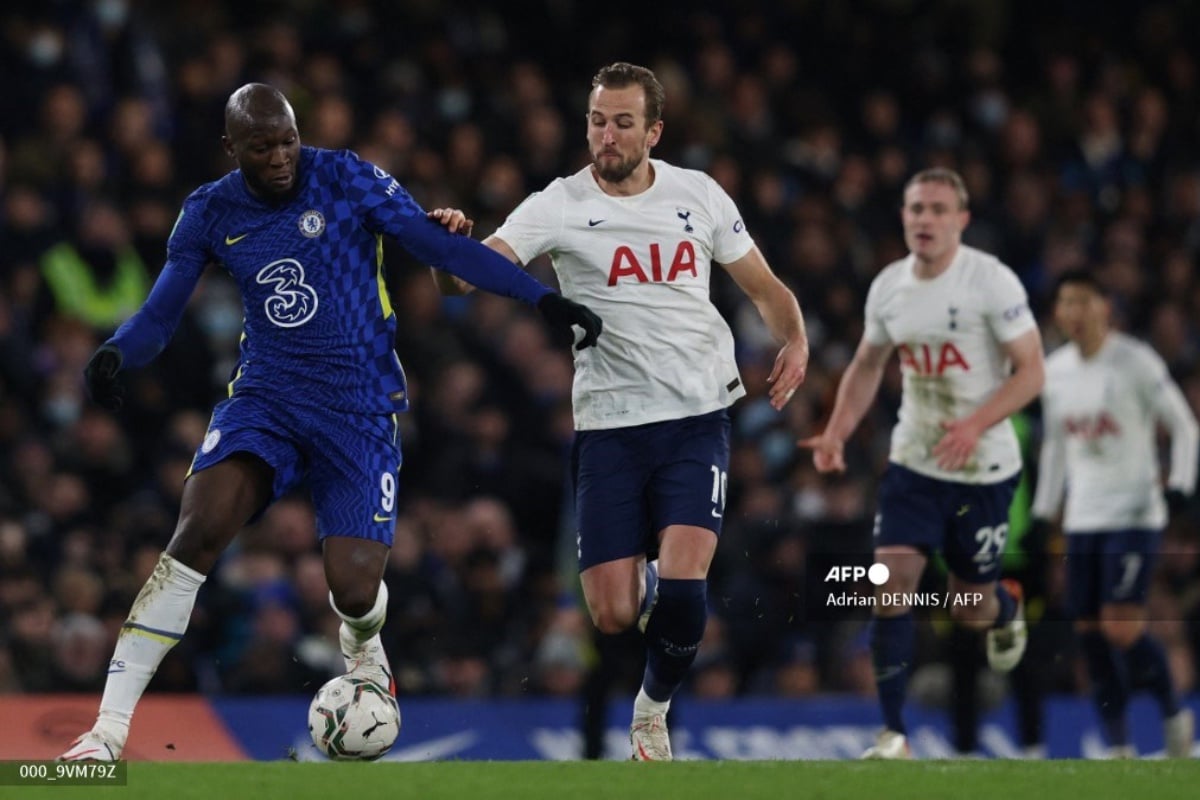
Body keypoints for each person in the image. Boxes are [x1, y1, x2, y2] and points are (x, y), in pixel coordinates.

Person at [58, 83, 602, 762]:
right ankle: (105, 734)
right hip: (267, 399)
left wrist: (542, 302)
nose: (282, 157)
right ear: (233, 149)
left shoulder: (346, 176)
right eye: (263, 147)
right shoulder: (208, 210)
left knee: (351, 588)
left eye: (288, 140)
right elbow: (162, 314)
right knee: (193, 537)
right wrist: (115, 355)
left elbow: (441, 248)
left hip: (360, 409)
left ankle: (366, 648)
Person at [433, 62, 809, 760]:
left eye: (623, 122)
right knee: (609, 613)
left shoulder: (697, 194)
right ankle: (661, 590)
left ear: (653, 131)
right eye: (597, 120)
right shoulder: (560, 203)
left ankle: (652, 710)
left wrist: (798, 338)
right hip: (609, 426)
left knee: (687, 578)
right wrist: (445, 244)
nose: (606, 135)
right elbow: (467, 274)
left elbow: (763, 286)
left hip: (698, 416)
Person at [799, 167, 1044, 759]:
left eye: (937, 209)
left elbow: (1033, 371)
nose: (924, 220)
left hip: (983, 466)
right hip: (913, 461)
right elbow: (865, 365)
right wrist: (835, 432)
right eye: (915, 209)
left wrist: (974, 424)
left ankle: (1004, 606)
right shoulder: (889, 286)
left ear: (961, 219)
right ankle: (892, 733)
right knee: (890, 585)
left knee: (968, 608)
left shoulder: (992, 282)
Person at [1031, 269, 1197, 758]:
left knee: (1120, 627)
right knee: (1089, 632)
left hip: (1134, 514)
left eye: (1083, 301)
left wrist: (1181, 488)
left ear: (1106, 307)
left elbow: (1185, 426)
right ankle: (1119, 745)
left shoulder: (1136, 362)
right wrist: (1044, 513)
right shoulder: (1055, 370)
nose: (1073, 313)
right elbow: (1058, 449)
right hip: (1083, 518)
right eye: (1065, 303)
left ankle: (1173, 715)